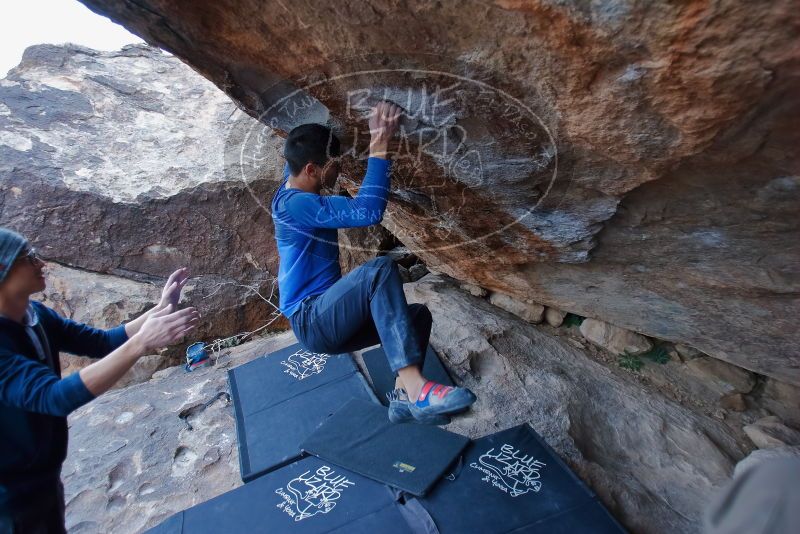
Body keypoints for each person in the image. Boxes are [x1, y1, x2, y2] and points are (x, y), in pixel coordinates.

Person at [271, 101, 477, 424]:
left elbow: (296, 149)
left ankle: (402, 400)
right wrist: (380, 141)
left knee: (417, 318)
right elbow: (368, 213)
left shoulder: (292, 180)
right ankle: (418, 390)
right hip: (313, 318)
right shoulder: (297, 206)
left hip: (325, 316)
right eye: (331, 164)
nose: (337, 169)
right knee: (379, 271)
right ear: (311, 170)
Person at [0, 228, 200, 533]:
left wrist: (157, 312)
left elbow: (101, 342)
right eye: (28, 258)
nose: (41, 263)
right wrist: (141, 344)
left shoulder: (34, 314)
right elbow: (54, 397)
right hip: (11, 496)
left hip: (43, 475)